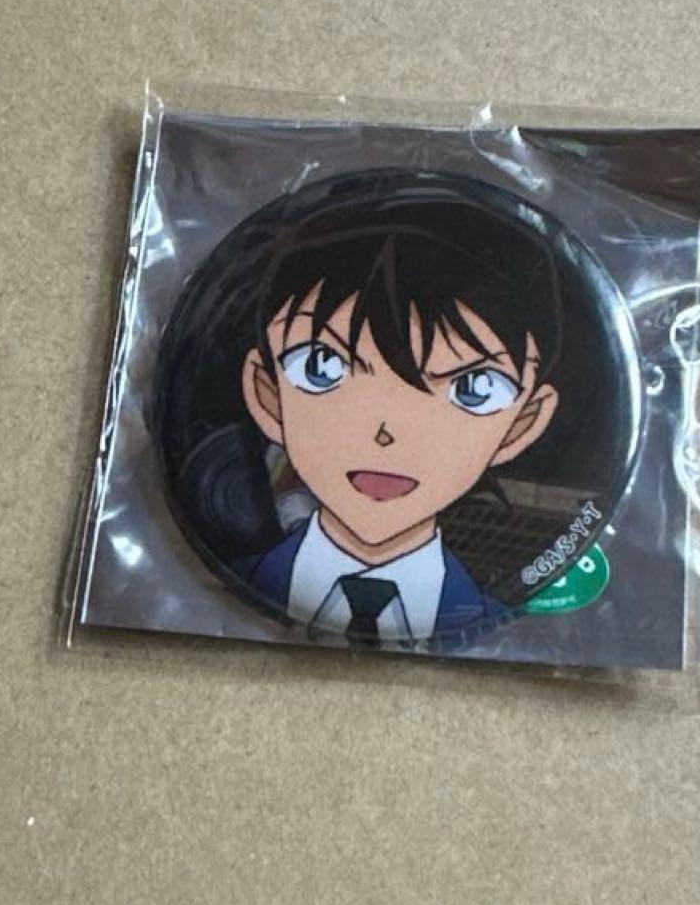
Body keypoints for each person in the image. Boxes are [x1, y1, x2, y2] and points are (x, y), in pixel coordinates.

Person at [226, 176, 570, 644]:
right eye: (321, 368)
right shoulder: (225, 581)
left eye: (472, 389)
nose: (386, 432)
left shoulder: (494, 615)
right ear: (267, 396)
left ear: (522, 425)